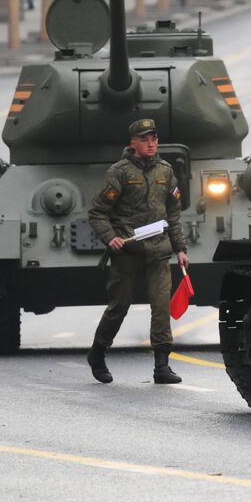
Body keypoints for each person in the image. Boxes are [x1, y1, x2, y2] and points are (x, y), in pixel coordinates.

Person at [86, 118, 189, 385]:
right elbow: (98, 213)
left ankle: (162, 365)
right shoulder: (119, 172)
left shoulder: (165, 171)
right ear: (133, 143)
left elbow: (173, 215)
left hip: (158, 251)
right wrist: (111, 238)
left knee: (161, 305)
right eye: (144, 139)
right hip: (128, 252)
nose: (151, 143)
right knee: (119, 306)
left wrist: (180, 248)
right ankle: (97, 353)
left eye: (153, 138)